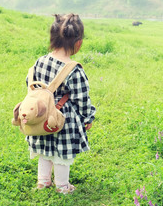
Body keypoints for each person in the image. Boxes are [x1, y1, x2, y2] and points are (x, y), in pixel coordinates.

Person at [26, 13, 96, 194]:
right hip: (62, 120)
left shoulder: (39, 61)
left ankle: (43, 181)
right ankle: (63, 186)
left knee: (44, 149)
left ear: (52, 38)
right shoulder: (73, 70)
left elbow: (30, 83)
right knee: (61, 155)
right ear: (78, 43)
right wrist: (88, 117)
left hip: (41, 116)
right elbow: (82, 98)